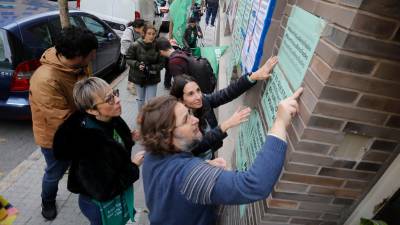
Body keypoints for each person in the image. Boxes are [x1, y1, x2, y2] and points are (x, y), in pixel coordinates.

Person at [139, 87, 303, 225]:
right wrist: (280, 122)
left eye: (189, 113)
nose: (195, 119)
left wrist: (204, 166)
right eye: (185, 119)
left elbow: (171, 183)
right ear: (168, 137)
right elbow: (255, 185)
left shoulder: (151, 155)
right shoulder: (190, 175)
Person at [53, 77, 144, 225]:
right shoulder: (91, 146)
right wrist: (133, 167)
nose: (118, 100)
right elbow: (104, 190)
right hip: (98, 205)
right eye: (109, 99)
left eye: (115, 93)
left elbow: (114, 148)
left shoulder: (109, 119)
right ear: (91, 110)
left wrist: (129, 138)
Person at [29, 26, 98, 220]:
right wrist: (96, 119)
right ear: (78, 55)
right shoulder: (45, 79)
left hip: (78, 129)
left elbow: (88, 88)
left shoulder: (79, 65)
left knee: (79, 165)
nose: (94, 57)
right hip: (54, 137)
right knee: (54, 172)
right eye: (91, 54)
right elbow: (60, 118)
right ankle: (47, 200)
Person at [170, 56, 278, 159]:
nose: (198, 97)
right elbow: (196, 147)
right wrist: (227, 124)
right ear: (180, 100)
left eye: (198, 90)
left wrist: (253, 77)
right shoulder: (177, 123)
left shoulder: (203, 101)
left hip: (211, 153)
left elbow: (227, 93)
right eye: (190, 94)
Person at [126, 25, 164, 111]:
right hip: (138, 77)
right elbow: (128, 59)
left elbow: (162, 64)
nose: (151, 36)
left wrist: (150, 67)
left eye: (153, 34)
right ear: (144, 34)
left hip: (153, 77)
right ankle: (141, 116)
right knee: (140, 99)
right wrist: (137, 64)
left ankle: (149, 119)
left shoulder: (158, 46)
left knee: (151, 101)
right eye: (149, 33)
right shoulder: (135, 45)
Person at [120, 19, 145, 95]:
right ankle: (131, 87)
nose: (143, 29)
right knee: (133, 70)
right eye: (142, 28)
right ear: (137, 27)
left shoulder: (135, 30)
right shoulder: (129, 31)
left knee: (132, 70)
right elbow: (124, 42)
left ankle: (130, 85)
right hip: (129, 55)